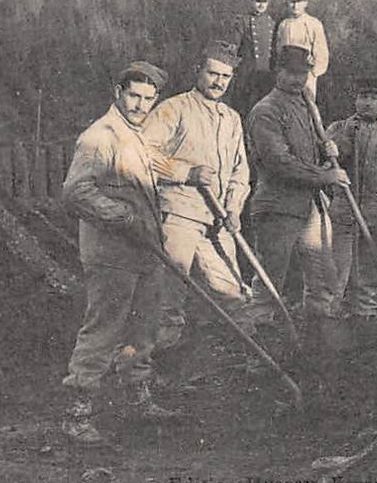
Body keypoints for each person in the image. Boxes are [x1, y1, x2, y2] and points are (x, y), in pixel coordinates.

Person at [59, 61, 180, 446]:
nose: (141, 105)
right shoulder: (100, 136)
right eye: (134, 96)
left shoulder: (138, 134)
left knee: (143, 327)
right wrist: (122, 214)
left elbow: (153, 168)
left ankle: (137, 398)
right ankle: (77, 413)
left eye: (148, 98)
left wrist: (185, 172)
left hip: (145, 249)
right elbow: (76, 192)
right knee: (104, 328)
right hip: (111, 251)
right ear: (118, 93)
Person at [144, 41, 256, 339]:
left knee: (232, 288)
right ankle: (152, 367)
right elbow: (141, 155)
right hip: (178, 214)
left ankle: (250, 358)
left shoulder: (231, 119)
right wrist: (185, 172)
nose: (218, 82)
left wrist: (233, 208)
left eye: (226, 77)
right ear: (199, 71)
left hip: (217, 217)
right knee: (170, 292)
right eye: (213, 73)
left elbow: (239, 171)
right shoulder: (173, 109)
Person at [245, 45, 347, 322]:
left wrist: (327, 151)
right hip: (278, 207)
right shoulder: (266, 110)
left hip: (310, 205)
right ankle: (260, 352)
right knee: (270, 282)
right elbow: (280, 162)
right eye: (291, 73)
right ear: (278, 71)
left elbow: (311, 150)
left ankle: (320, 340)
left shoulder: (306, 104)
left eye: (303, 73)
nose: (298, 79)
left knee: (322, 277)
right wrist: (325, 176)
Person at [327, 81, 377, 320]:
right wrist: (343, 140)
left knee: (372, 263)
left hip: (376, 207)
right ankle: (332, 315)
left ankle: (366, 311)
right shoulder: (339, 128)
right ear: (355, 99)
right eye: (363, 96)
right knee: (338, 265)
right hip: (344, 204)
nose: (368, 102)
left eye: (374, 97)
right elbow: (331, 159)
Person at [274, 0, 330, 99]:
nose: (295, 6)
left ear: (305, 3)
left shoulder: (314, 24)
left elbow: (322, 54)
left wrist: (313, 73)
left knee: (306, 106)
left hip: (306, 76)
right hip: (287, 75)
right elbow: (279, 51)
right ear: (288, 3)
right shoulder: (284, 25)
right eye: (292, 2)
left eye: (299, 2)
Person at [232, 0, 278, 115]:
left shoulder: (272, 23)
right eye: (258, 1)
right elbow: (234, 46)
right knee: (244, 107)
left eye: (264, 2)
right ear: (252, 1)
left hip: (265, 74)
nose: (261, 5)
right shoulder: (243, 21)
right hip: (247, 72)